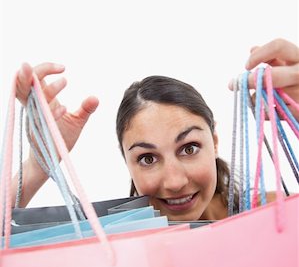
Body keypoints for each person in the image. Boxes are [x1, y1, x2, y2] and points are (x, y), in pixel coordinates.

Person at [11, 38, 299, 221]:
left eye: (189, 148)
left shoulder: (271, 216)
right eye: (147, 158)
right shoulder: (115, 248)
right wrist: (38, 164)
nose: (174, 182)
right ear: (128, 163)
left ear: (214, 142)